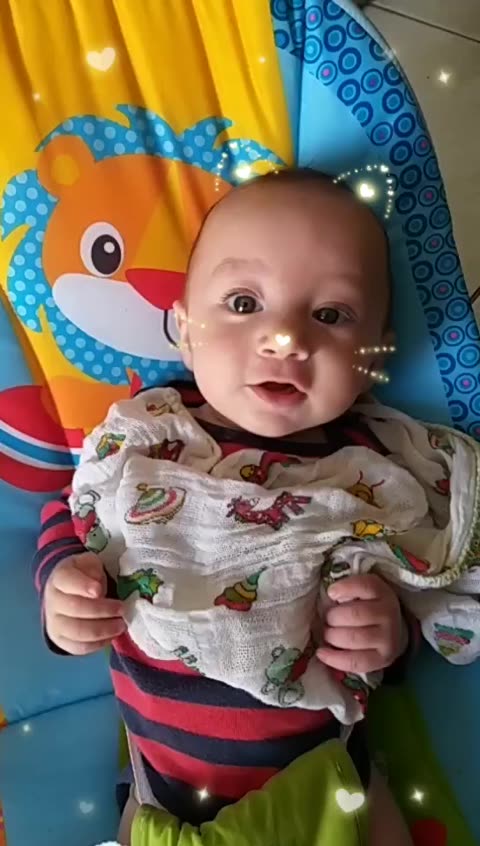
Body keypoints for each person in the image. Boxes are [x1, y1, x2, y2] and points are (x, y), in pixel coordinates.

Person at [35, 170, 479, 845]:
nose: (285, 338)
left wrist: (388, 637)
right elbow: (71, 514)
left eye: (330, 315)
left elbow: (429, 594)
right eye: (244, 303)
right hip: (164, 791)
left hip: (323, 778)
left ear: (374, 354)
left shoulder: (376, 474)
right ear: (186, 330)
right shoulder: (145, 440)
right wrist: (62, 587)